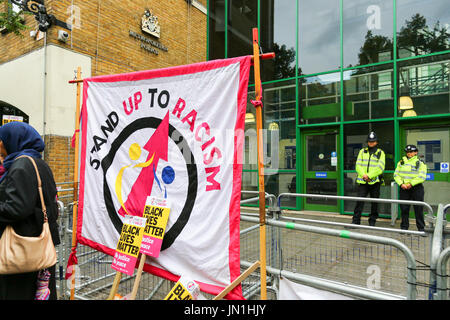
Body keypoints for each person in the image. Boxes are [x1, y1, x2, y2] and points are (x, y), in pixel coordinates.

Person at [0, 122, 60, 300]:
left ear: (13, 140)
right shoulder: (39, 163)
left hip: (23, 248)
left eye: (2, 140)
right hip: (40, 244)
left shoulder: (22, 165)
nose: (1, 144)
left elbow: (17, 208)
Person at [352, 132, 385, 226]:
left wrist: (369, 176)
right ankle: (355, 221)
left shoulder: (380, 153)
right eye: (370, 141)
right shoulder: (362, 151)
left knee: (374, 202)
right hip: (363, 182)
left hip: (375, 182)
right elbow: (358, 165)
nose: (371, 143)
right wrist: (364, 176)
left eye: (373, 141)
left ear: (376, 142)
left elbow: (380, 167)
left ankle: (372, 221)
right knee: (359, 201)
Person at [394, 144, 427, 231]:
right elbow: (396, 175)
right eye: (408, 152)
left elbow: (422, 176)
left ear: (416, 152)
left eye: (411, 152)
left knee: (418, 209)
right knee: (404, 209)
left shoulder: (420, 163)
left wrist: (411, 184)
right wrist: (401, 184)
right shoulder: (401, 162)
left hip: (416, 188)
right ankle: (404, 227)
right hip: (404, 188)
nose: (409, 153)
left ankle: (421, 228)